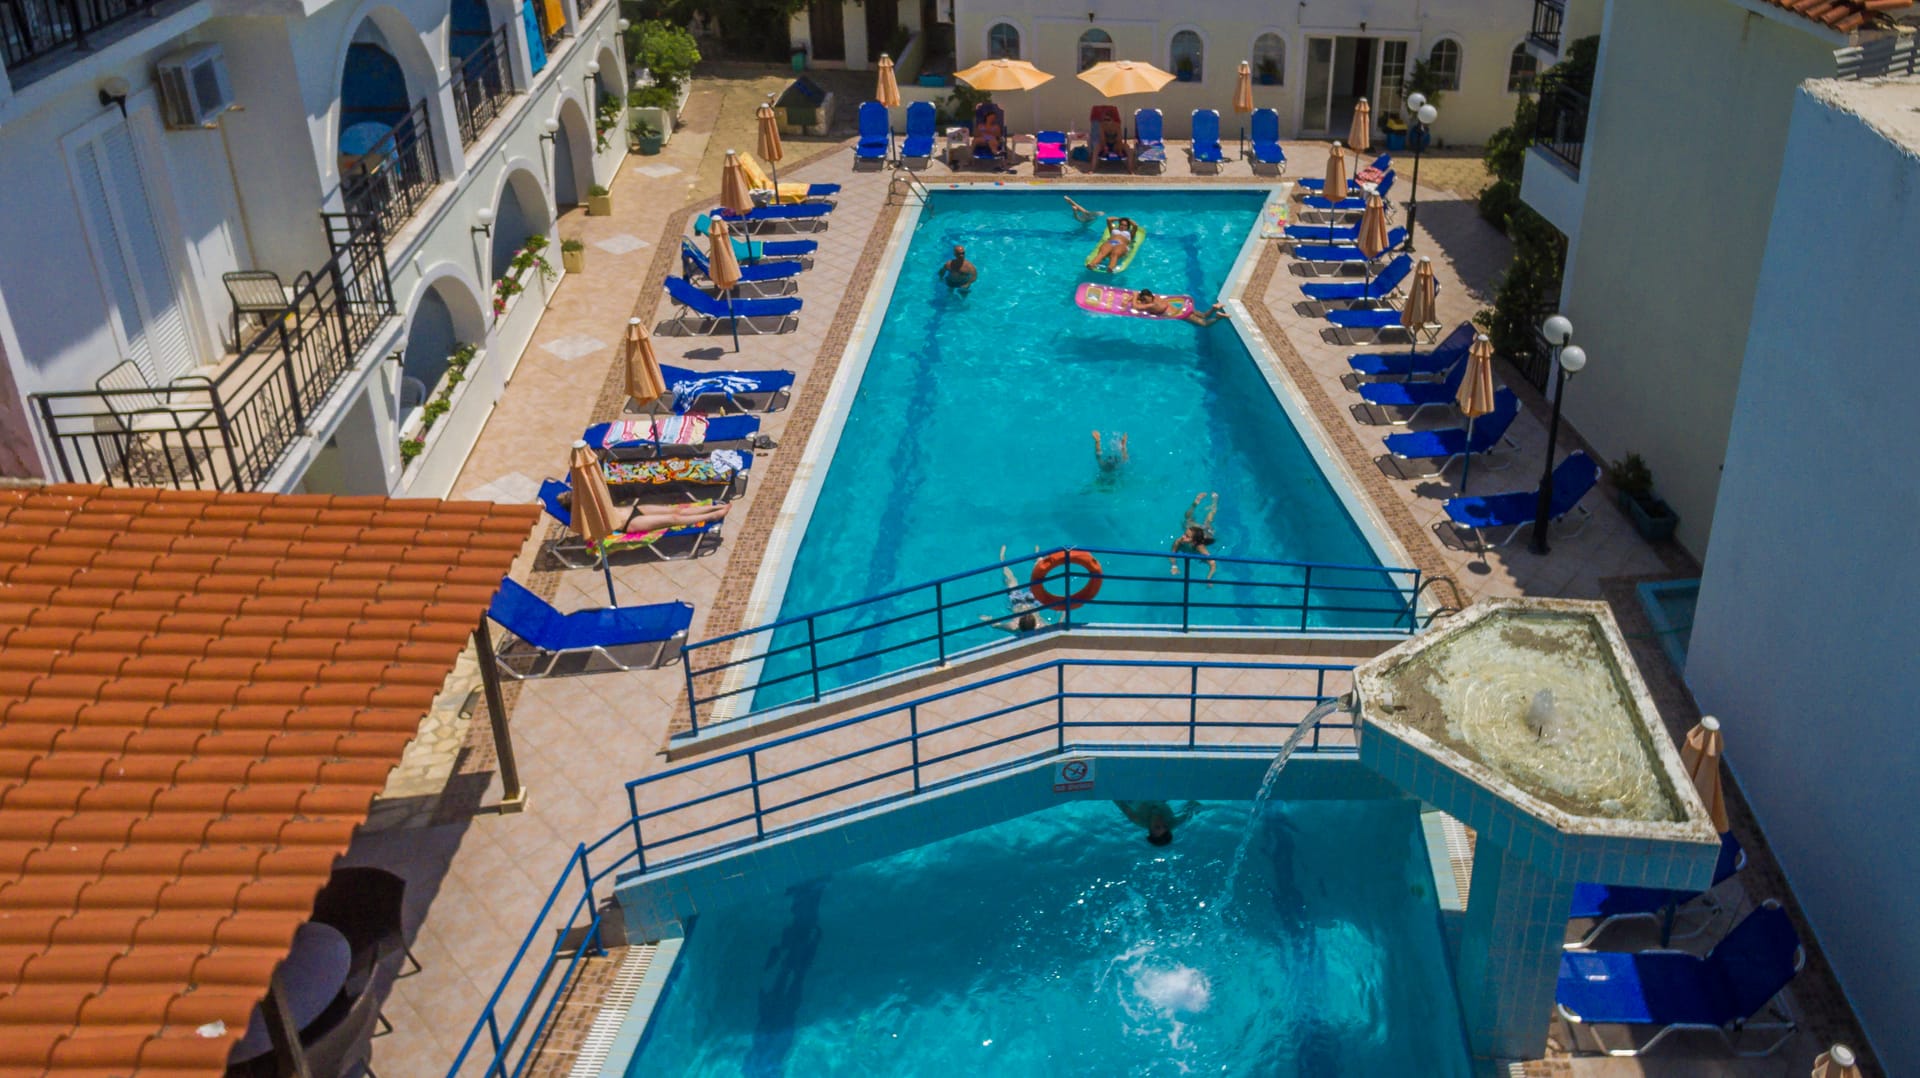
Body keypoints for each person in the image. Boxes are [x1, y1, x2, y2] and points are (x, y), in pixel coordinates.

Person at [980, 545, 1056, 633]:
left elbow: (996, 625)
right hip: (1032, 603)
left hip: (1017, 602)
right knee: (1035, 581)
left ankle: (1002, 560)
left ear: (1018, 624)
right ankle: (1038, 558)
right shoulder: (1041, 626)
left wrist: (987, 619)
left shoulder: (1013, 627)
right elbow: (1057, 629)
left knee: (1011, 581)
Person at [1170, 492, 1219, 580]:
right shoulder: (1179, 541)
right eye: (1185, 534)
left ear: (1194, 542)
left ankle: (1214, 502)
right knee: (1187, 519)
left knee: (1208, 521)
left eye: (1187, 536)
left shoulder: (1200, 548)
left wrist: (1209, 578)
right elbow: (1172, 553)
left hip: (1207, 533)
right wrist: (1174, 566)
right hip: (1197, 533)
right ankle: (1195, 503)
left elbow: (1213, 564)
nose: (1183, 537)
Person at [1115, 800, 1201, 846]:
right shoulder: (1171, 823)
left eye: (1157, 826)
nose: (1161, 822)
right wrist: (1195, 807)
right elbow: (1190, 810)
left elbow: (1117, 799)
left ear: (1150, 829)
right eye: (1165, 826)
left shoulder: (1137, 819)